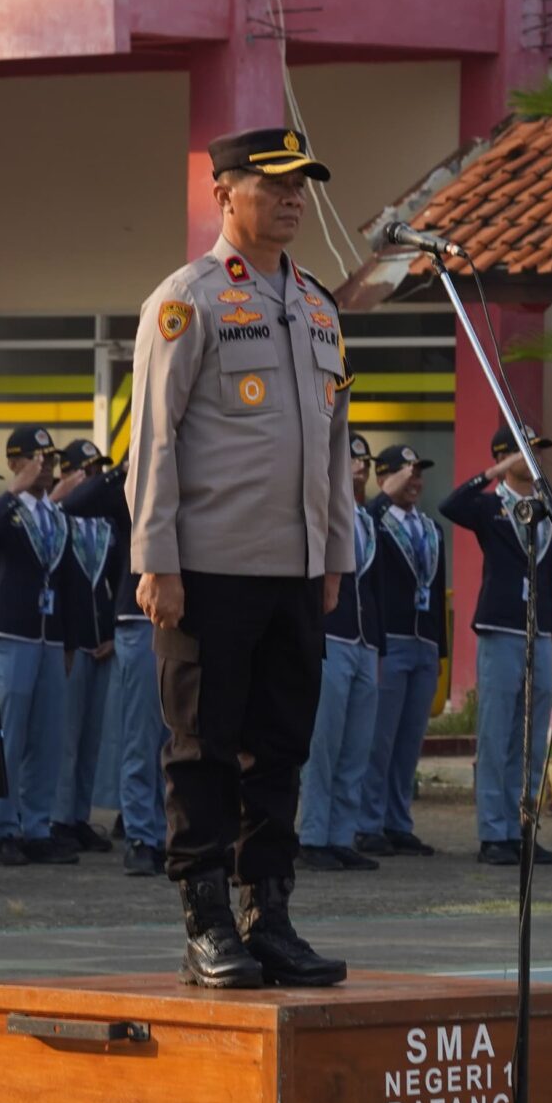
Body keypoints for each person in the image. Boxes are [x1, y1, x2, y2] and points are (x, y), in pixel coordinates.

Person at [129, 126, 354, 988]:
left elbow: (334, 448)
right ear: (224, 194)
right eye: (275, 184)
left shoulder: (320, 306)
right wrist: (158, 558)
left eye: (303, 187)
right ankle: (206, 918)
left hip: (294, 573)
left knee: (280, 748)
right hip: (208, 571)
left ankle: (269, 912)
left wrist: (333, 555)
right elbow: (153, 439)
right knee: (203, 748)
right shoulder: (189, 301)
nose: (294, 200)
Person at [442, 426, 552, 868]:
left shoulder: (547, 509)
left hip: (538, 632)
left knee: (530, 739)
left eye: (538, 451)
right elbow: (450, 505)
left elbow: (549, 577)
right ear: (505, 457)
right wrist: (491, 473)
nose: (536, 460)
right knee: (497, 735)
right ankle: (494, 832)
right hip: (500, 628)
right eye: (528, 452)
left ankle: (524, 828)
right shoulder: (489, 507)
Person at [0, 426, 78, 867]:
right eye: (38, 459)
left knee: (47, 735)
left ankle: (37, 826)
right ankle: (3, 828)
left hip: (48, 635)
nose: (47, 467)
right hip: (11, 632)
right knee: (9, 736)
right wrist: (12, 491)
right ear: (17, 462)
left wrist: (72, 638)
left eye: (51, 461)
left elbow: (68, 579)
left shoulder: (54, 514)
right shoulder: (8, 509)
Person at [57, 456, 163, 876]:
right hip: (139, 617)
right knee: (140, 734)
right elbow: (78, 502)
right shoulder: (135, 485)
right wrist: (130, 462)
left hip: (190, 620)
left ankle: (171, 832)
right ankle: (141, 836)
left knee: (181, 739)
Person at [301, 434, 383, 872]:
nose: (362, 465)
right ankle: (312, 835)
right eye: (354, 457)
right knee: (324, 742)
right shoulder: (320, 511)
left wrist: (380, 648)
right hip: (329, 637)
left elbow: (376, 590)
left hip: (363, 641)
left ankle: (341, 834)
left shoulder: (367, 519)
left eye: (366, 460)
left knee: (356, 745)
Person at [361, 443, 443, 858]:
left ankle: (398, 820)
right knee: (380, 738)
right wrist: (382, 496)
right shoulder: (374, 521)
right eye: (407, 473)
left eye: (419, 473)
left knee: (409, 741)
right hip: (389, 640)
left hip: (422, 642)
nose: (416, 481)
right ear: (384, 476)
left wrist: (439, 649)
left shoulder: (430, 528)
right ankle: (368, 822)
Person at [49, 438, 119, 853]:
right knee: (67, 737)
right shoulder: (58, 521)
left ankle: (79, 814)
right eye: (86, 471)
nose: (93, 479)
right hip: (71, 642)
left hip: (101, 642)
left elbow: (113, 582)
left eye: (97, 472)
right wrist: (66, 638)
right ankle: (58, 816)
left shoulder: (106, 522)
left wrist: (109, 631)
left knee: (92, 737)